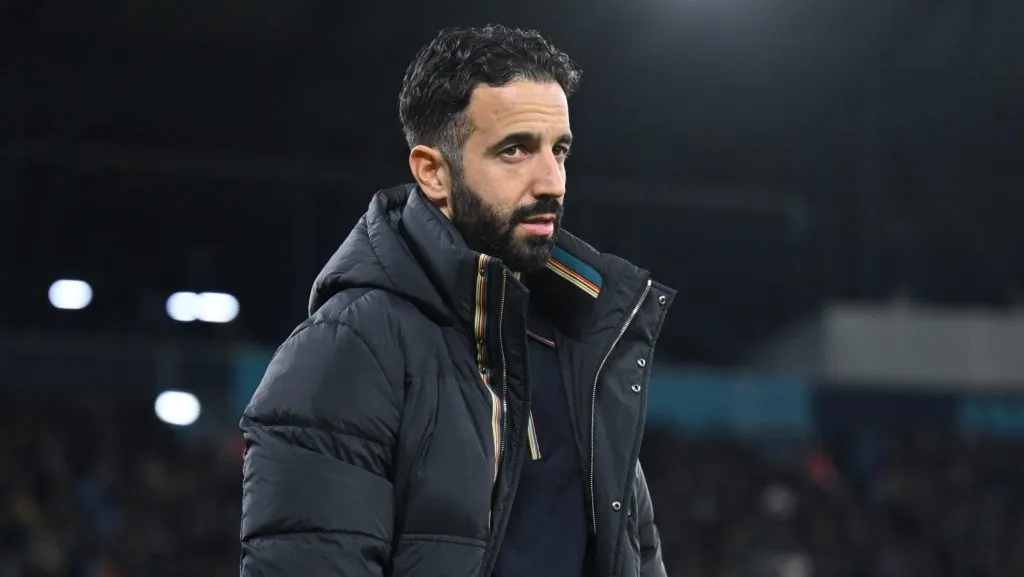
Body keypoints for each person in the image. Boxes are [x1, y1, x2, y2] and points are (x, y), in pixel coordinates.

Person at [239, 24, 674, 577]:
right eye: (515, 150)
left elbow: (636, 554)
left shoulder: (583, 342)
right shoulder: (349, 349)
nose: (553, 182)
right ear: (433, 173)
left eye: (559, 150)